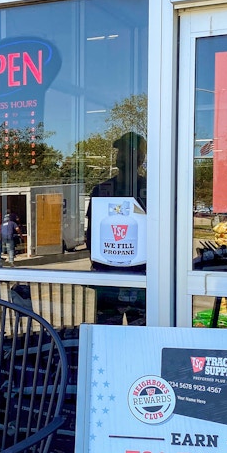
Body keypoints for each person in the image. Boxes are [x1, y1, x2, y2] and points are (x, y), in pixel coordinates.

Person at [85, 132, 147, 325]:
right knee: (107, 336)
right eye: (119, 151)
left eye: (126, 151)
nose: (120, 155)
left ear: (140, 157)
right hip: (109, 282)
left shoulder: (153, 189)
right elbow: (91, 237)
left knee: (143, 337)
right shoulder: (102, 190)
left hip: (142, 280)